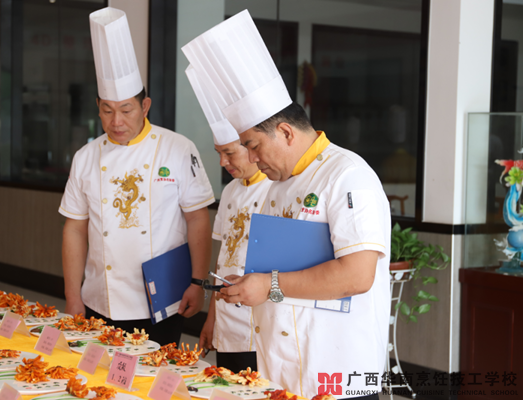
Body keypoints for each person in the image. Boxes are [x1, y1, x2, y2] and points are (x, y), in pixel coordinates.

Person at [183, 10, 390, 400]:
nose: (251, 159)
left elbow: (357, 275)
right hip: (281, 370)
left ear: (285, 131)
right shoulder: (278, 185)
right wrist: (249, 285)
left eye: (253, 146)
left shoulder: (348, 175)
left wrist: (268, 285)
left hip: (337, 374)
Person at [59, 7, 214, 346]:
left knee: (155, 375)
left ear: (145, 106)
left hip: (163, 300)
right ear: (98, 108)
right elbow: (74, 228)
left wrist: (197, 282)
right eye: (107, 110)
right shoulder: (86, 157)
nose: (116, 121)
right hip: (99, 298)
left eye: (126, 110)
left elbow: (198, 219)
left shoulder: (177, 148)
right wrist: (73, 295)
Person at [185, 66, 272, 372]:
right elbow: (223, 261)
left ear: (250, 147)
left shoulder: (276, 189)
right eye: (218, 153)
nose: (222, 162)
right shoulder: (232, 190)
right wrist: (212, 319)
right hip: (227, 320)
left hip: (260, 326)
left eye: (229, 153)